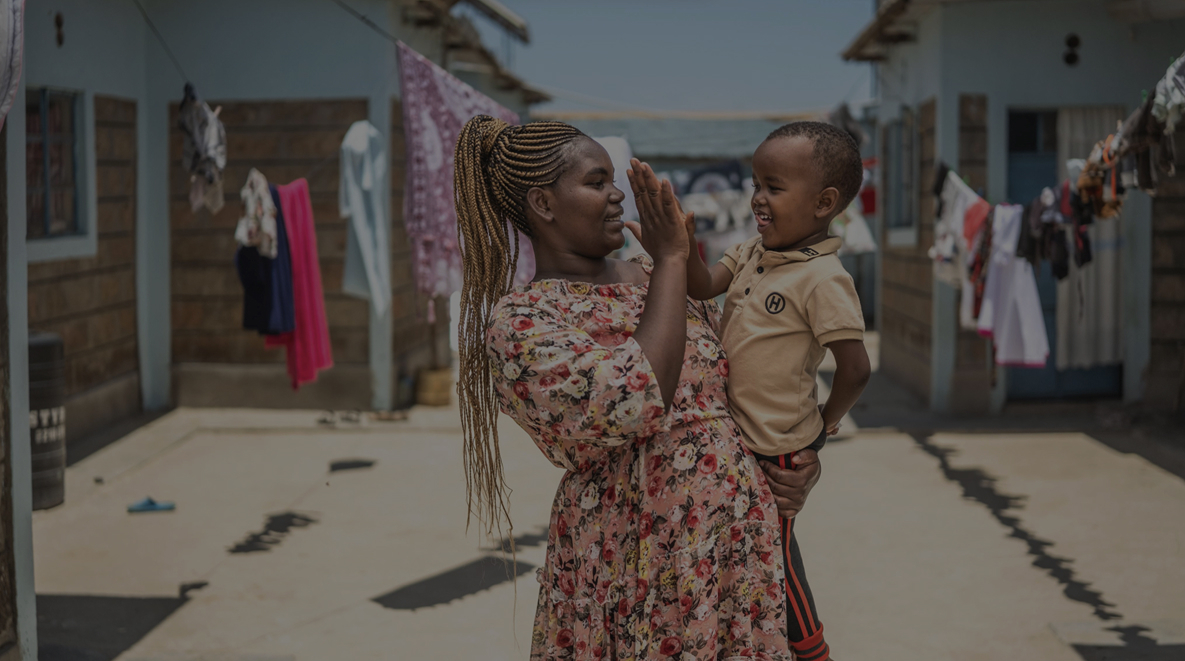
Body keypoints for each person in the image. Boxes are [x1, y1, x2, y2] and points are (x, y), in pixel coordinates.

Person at [453, 114, 821, 660]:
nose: (617, 196)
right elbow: (635, 398)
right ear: (543, 204)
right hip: (631, 566)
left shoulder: (657, 277)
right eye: (596, 182)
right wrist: (675, 258)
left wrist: (801, 458)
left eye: (614, 180)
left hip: (732, 559)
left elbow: (750, 388)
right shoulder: (524, 321)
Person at [684, 121, 873, 661]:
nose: (757, 199)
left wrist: (819, 432)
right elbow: (700, 285)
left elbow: (855, 369)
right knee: (746, 555)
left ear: (824, 202)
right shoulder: (749, 252)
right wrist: (673, 243)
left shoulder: (824, 279)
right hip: (737, 438)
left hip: (777, 446)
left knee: (776, 553)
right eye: (755, 184)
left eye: (773, 186)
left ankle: (811, 649)